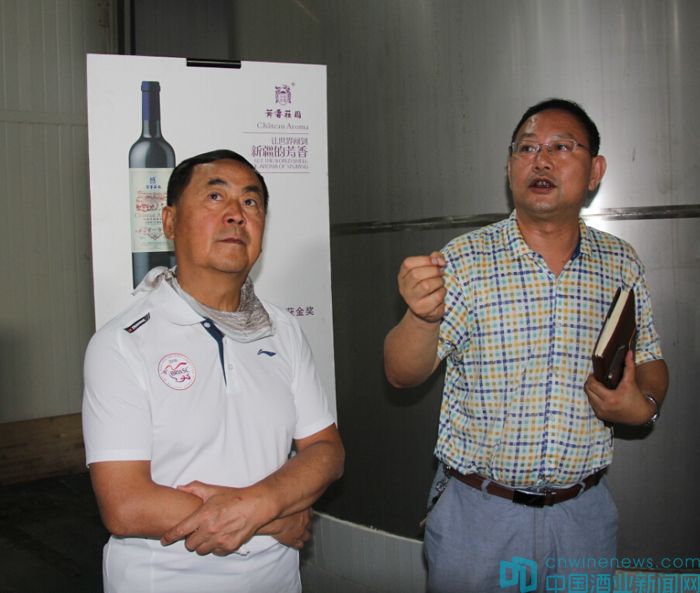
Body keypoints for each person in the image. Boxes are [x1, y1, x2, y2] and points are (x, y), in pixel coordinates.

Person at [384, 99, 668, 593]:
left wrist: (641, 407)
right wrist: (421, 317)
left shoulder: (619, 261)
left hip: (583, 517)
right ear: (509, 166)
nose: (541, 160)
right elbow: (401, 373)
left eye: (561, 147)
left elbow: (651, 360)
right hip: (480, 515)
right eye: (527, 148)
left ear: (595, 171)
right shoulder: (465, 259)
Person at [82, 149, 344, 593]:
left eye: (250, 202)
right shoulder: (122, 343)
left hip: (277, 580)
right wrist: (270, 519)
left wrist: (261, 504)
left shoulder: (282, 330)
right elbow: (126, 505)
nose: (236, 214)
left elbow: (327, 450)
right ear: (169, 222)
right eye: (215, 196)